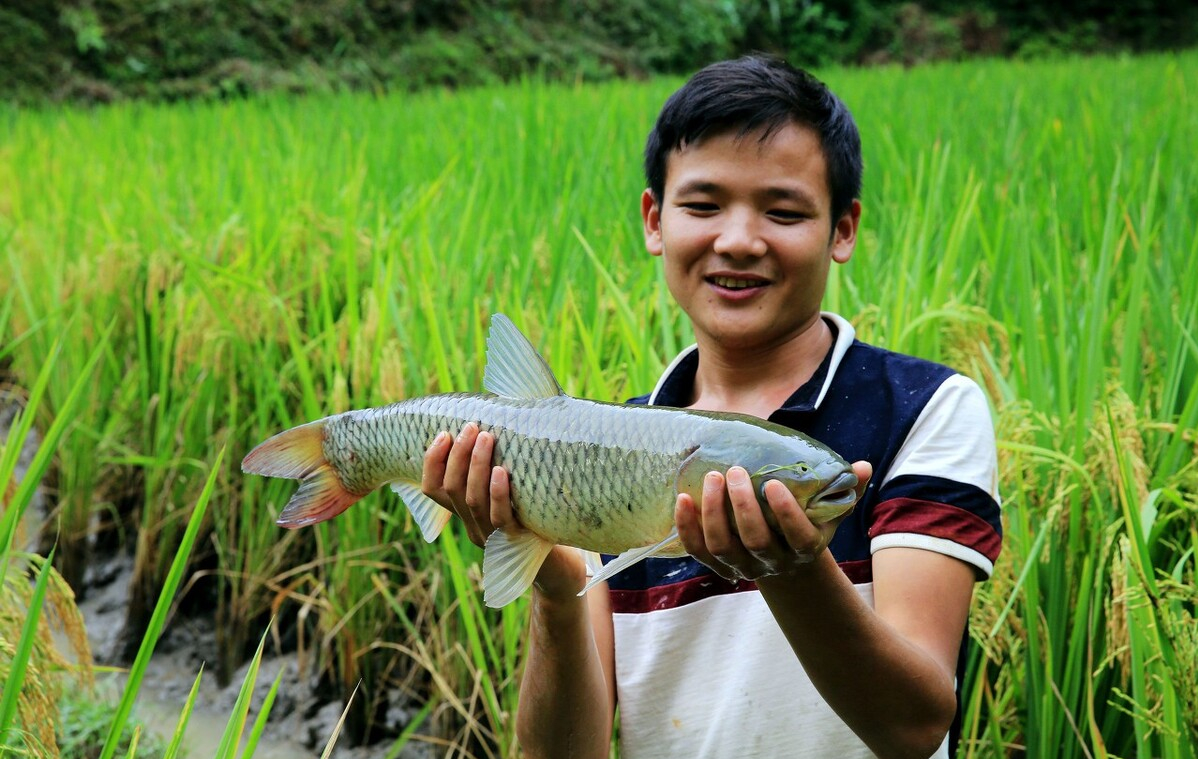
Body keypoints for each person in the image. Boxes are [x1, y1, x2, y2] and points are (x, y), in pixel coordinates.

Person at [420, 55, 1002, 759]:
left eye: (783, 211)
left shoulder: (922, 409)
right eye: (703, 206)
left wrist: (788, 566)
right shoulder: (598, 451)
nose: (738, 241)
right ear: (654, 220)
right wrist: (553, 582)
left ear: (842, 229)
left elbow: (913, 726)